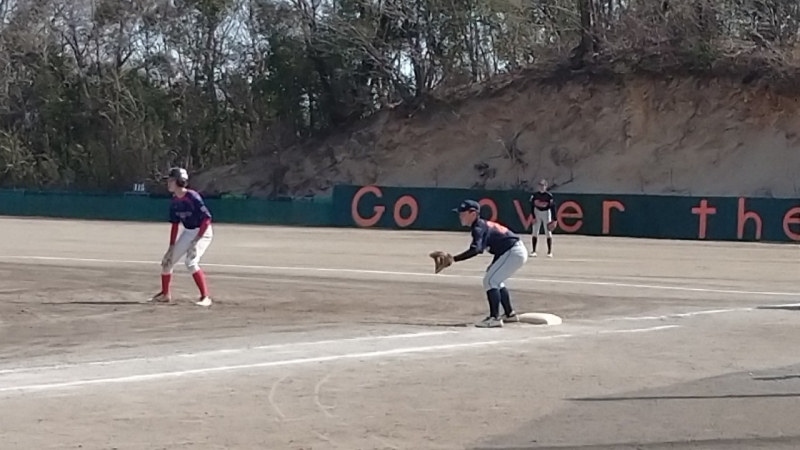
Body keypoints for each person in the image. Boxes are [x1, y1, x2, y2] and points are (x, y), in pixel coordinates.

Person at [451, 200, 529, 328]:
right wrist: (494, 264)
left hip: (513, 251)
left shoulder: (478, 227)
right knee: (496, 280)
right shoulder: (482, 225)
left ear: (473, 214)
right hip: (513, 251)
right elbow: (501, 243)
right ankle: (509, 314)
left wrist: (454, 259)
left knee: (490, 281)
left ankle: (495, 318)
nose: (460, 216)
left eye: (463, 213)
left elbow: (476, 249)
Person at [150, 167, 214, 307]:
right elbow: (175, 225)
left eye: (171, 180)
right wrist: (171, 247)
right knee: (167, 262)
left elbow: (207, 219)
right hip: (189, 232)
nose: (168, 183)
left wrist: (196, 241)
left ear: (179, 181)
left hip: (203, 232)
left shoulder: (192, 197)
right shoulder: (175, 201)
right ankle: (165, 294)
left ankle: (205, 297)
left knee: (190, 262)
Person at [529, 179, 557, 257]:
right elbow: (532, 206)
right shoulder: (535, 195)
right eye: (540, 185)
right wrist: (533, 216)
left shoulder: (549, 196)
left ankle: (549, 252)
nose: (541, 187)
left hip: (546, 213)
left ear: (546, 186)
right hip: (537, 212)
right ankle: (534, 251)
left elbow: (553, 207)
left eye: (543, 185)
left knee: (548, 232)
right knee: (535, 231)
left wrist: (554, 219)